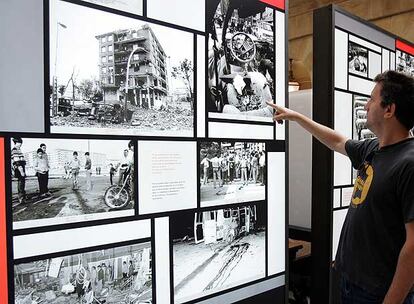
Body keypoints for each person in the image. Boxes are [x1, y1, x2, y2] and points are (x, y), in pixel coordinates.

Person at [267, 70, 414, 303]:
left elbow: (413, 245)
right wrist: (297, 117)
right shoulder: (373, 149)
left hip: (377, 292)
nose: (366, 106)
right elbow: (336, 140)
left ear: (389, 109)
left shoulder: (409, 163)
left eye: (372, 99)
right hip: (350, 281)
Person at [11, 138, 26, 204]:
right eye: (20, 143)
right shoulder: (15, 150)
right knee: (21, 183)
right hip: (19, 169)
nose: (20, 144)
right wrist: (22, 171)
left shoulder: (18, 150)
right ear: (16, 143)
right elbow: (17, 162)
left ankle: (22, 196)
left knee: (22, 183)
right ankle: (21, 198)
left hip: (21, 168)